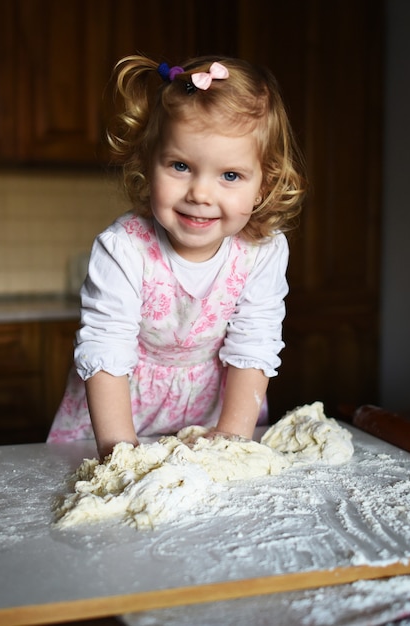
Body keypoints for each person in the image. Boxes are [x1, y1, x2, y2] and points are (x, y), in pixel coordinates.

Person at [47, 54, 306, 458]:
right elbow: (106, 348)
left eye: (230, 175)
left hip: (218, 415)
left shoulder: (263, 250)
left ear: (263, 185)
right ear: (149, 163)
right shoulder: (123, 249)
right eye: (180, 166)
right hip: (117, 418)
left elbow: (254, 343)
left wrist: (231, 444)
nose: (200, 194)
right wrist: (121, 458)